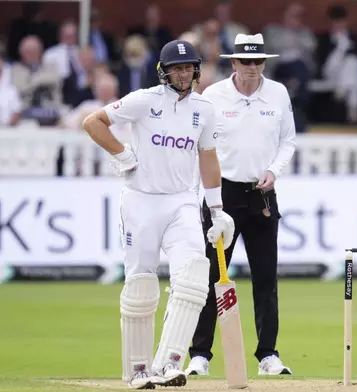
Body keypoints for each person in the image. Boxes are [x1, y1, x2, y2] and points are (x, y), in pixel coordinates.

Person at [81, 39, 235, 390]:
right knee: (141, 284)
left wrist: (217, 209)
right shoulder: (144, 100)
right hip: (141, 201)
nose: (183, 73)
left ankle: (170, 363)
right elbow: (93, 122)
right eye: (176, 68)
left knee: (195, 276)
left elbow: (208, 157)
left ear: (196, 70)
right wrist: (121, 155)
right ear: (163, 71)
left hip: (182, 202)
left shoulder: (204, 108)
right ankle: (138, 369)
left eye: (188, 67)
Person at [185, 33, 297, 377]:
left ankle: (268, 354)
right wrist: (207, 194)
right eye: (246, 61)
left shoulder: (277, 92)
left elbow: (288, 141)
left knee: (266, 277)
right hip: (223, 196)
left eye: (258, 61)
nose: (252, 68)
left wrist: (273, 171)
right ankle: (200, 354)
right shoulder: (214, 95)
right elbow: (198, 145)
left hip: (261, 194)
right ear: (233, 62)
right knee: (212, 275)